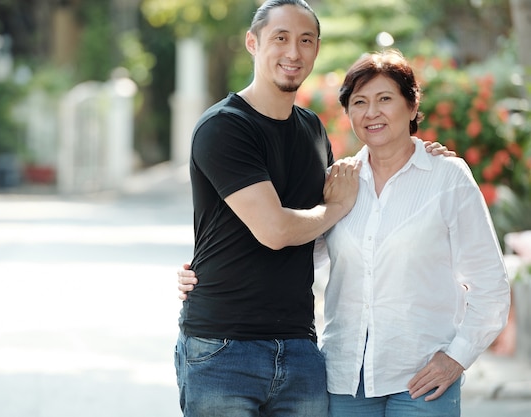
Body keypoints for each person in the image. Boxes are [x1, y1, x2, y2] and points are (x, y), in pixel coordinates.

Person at [179, 49, 510, 417]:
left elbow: (490, 284)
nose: (372, 113)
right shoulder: (340, 180)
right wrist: (205, 271)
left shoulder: (448, 178)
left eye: (385, 99)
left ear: (412, 106)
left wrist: (457, 357)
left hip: (421, 379)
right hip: (344, 380)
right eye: (359, 102)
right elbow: (298, 247)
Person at [175, 1, 360, 415]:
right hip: (223, 349)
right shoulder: (223, 126)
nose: (294, 52)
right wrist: (336, 207)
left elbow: (326, 233)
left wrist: (424, 157)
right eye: (281, 38)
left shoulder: (313, 129)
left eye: (306, 41)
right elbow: (276, 230)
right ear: (252, 43)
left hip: (299, 348)